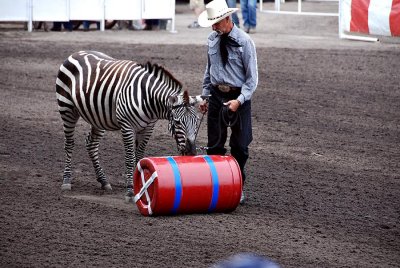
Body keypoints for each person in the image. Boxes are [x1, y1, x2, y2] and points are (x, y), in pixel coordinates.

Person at [197, 0, 258, 204]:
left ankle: (237, 185)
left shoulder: (245, 42)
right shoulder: (212, 39)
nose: (213, 27)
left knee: (240, 146)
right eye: (211, 23)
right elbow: (209, 70)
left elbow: (252, 79)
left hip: (238, 96)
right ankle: (217, 186)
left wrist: (239, 101)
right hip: (216, 95)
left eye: (216, 23)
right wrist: (205, 95)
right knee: (214, 145)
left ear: (227, 19)